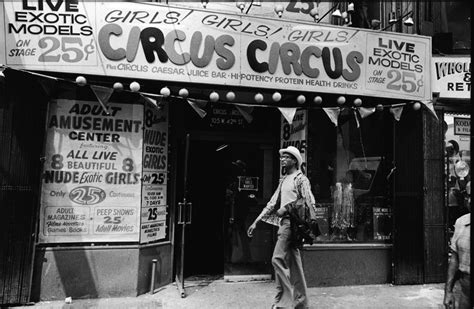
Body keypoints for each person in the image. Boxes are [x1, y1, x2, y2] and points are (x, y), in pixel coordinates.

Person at [247, 146, 317, 308]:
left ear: (294, 160)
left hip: (291, 225)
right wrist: (256, 221)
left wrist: (286, 208)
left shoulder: (301, 179)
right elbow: (272, 203)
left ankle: (284, 303)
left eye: (286, 157)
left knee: (277, 259)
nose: (282, 160)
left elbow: (310, 202)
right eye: (282, 157)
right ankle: (301, 303)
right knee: (295, 265)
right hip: (285, 224)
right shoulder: (284, 180)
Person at [443, 187, 470, 309]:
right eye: (469, 196)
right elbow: (454, 260)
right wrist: (448, 291)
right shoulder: (461, 223)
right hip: (466, 289)